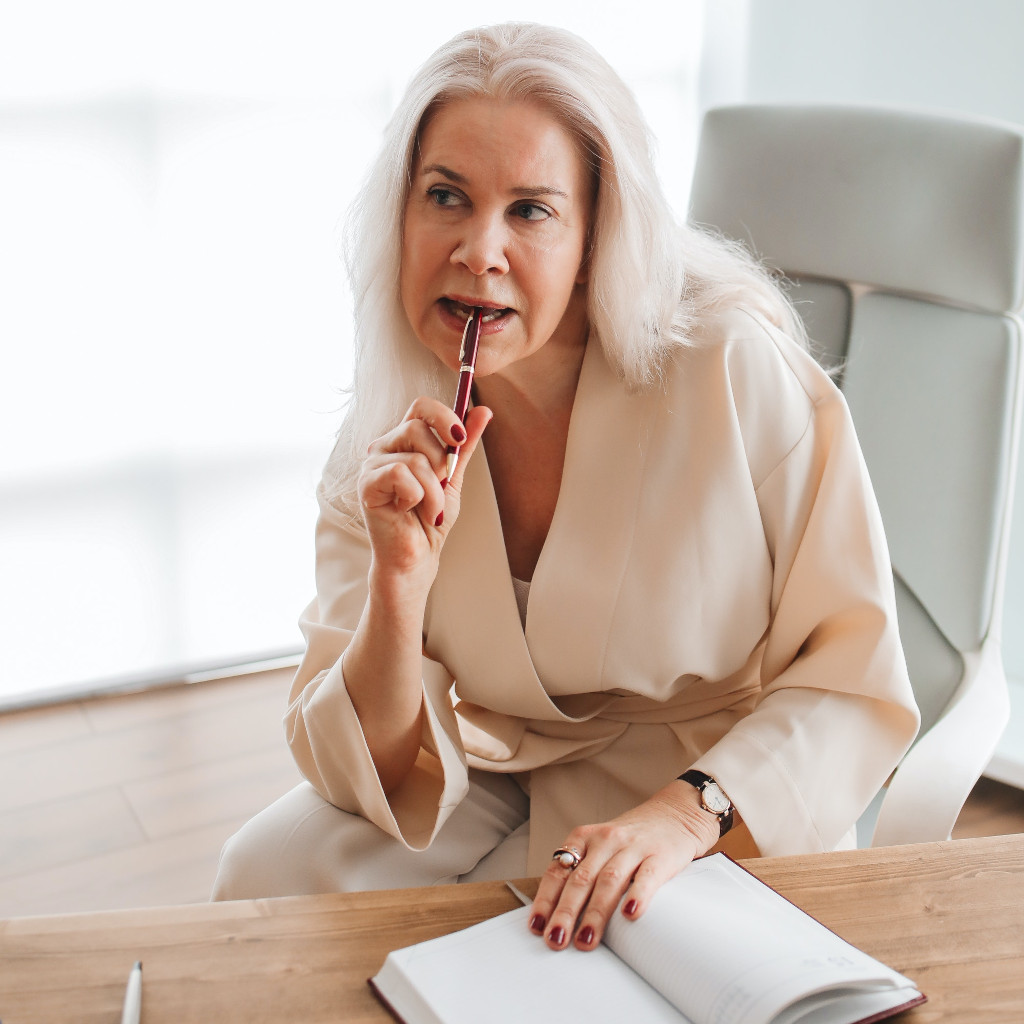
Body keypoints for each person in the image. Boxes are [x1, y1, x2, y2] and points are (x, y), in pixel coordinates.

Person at [212, 22, 919, 953]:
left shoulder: (733, 368)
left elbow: (851, 672)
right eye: (446, 197)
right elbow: (372, 770)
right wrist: (397, 588)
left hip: (721, 788)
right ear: (401, 214)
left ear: (595, 235)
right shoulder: (388, 428)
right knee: (264, 872)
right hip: (514, 768)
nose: (478, 250)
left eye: (531, 210)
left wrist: (684, 814)